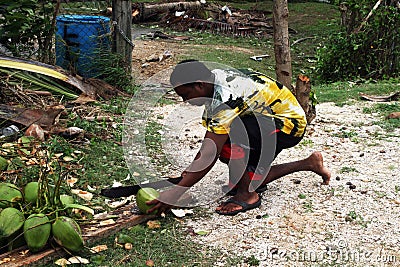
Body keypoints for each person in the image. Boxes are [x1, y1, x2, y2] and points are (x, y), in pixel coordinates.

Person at [147, 60, 331, 216]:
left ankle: (247, 195)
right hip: (264, 121)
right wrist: (189, 173)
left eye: (185, 95)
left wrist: (177, 192)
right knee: (233, 153)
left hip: (288, 126)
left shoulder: (225, 98)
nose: (184, 101)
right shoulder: (214, 80)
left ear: (199, 85)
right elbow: (209, 142)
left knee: (232, 134)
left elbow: (210, 152)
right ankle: (309, 163)